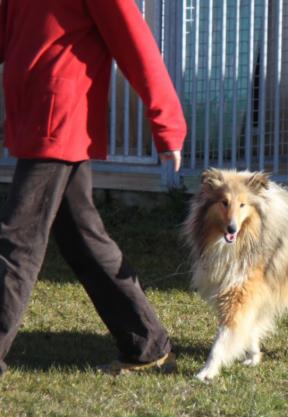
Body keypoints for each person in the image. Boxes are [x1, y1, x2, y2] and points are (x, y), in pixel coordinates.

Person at [0, 0, 187, 376]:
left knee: (16, 240)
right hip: (36, 117)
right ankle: (146, 343)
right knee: (80, 236)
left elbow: (136, 43)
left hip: (59, 120)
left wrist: (166, 122)